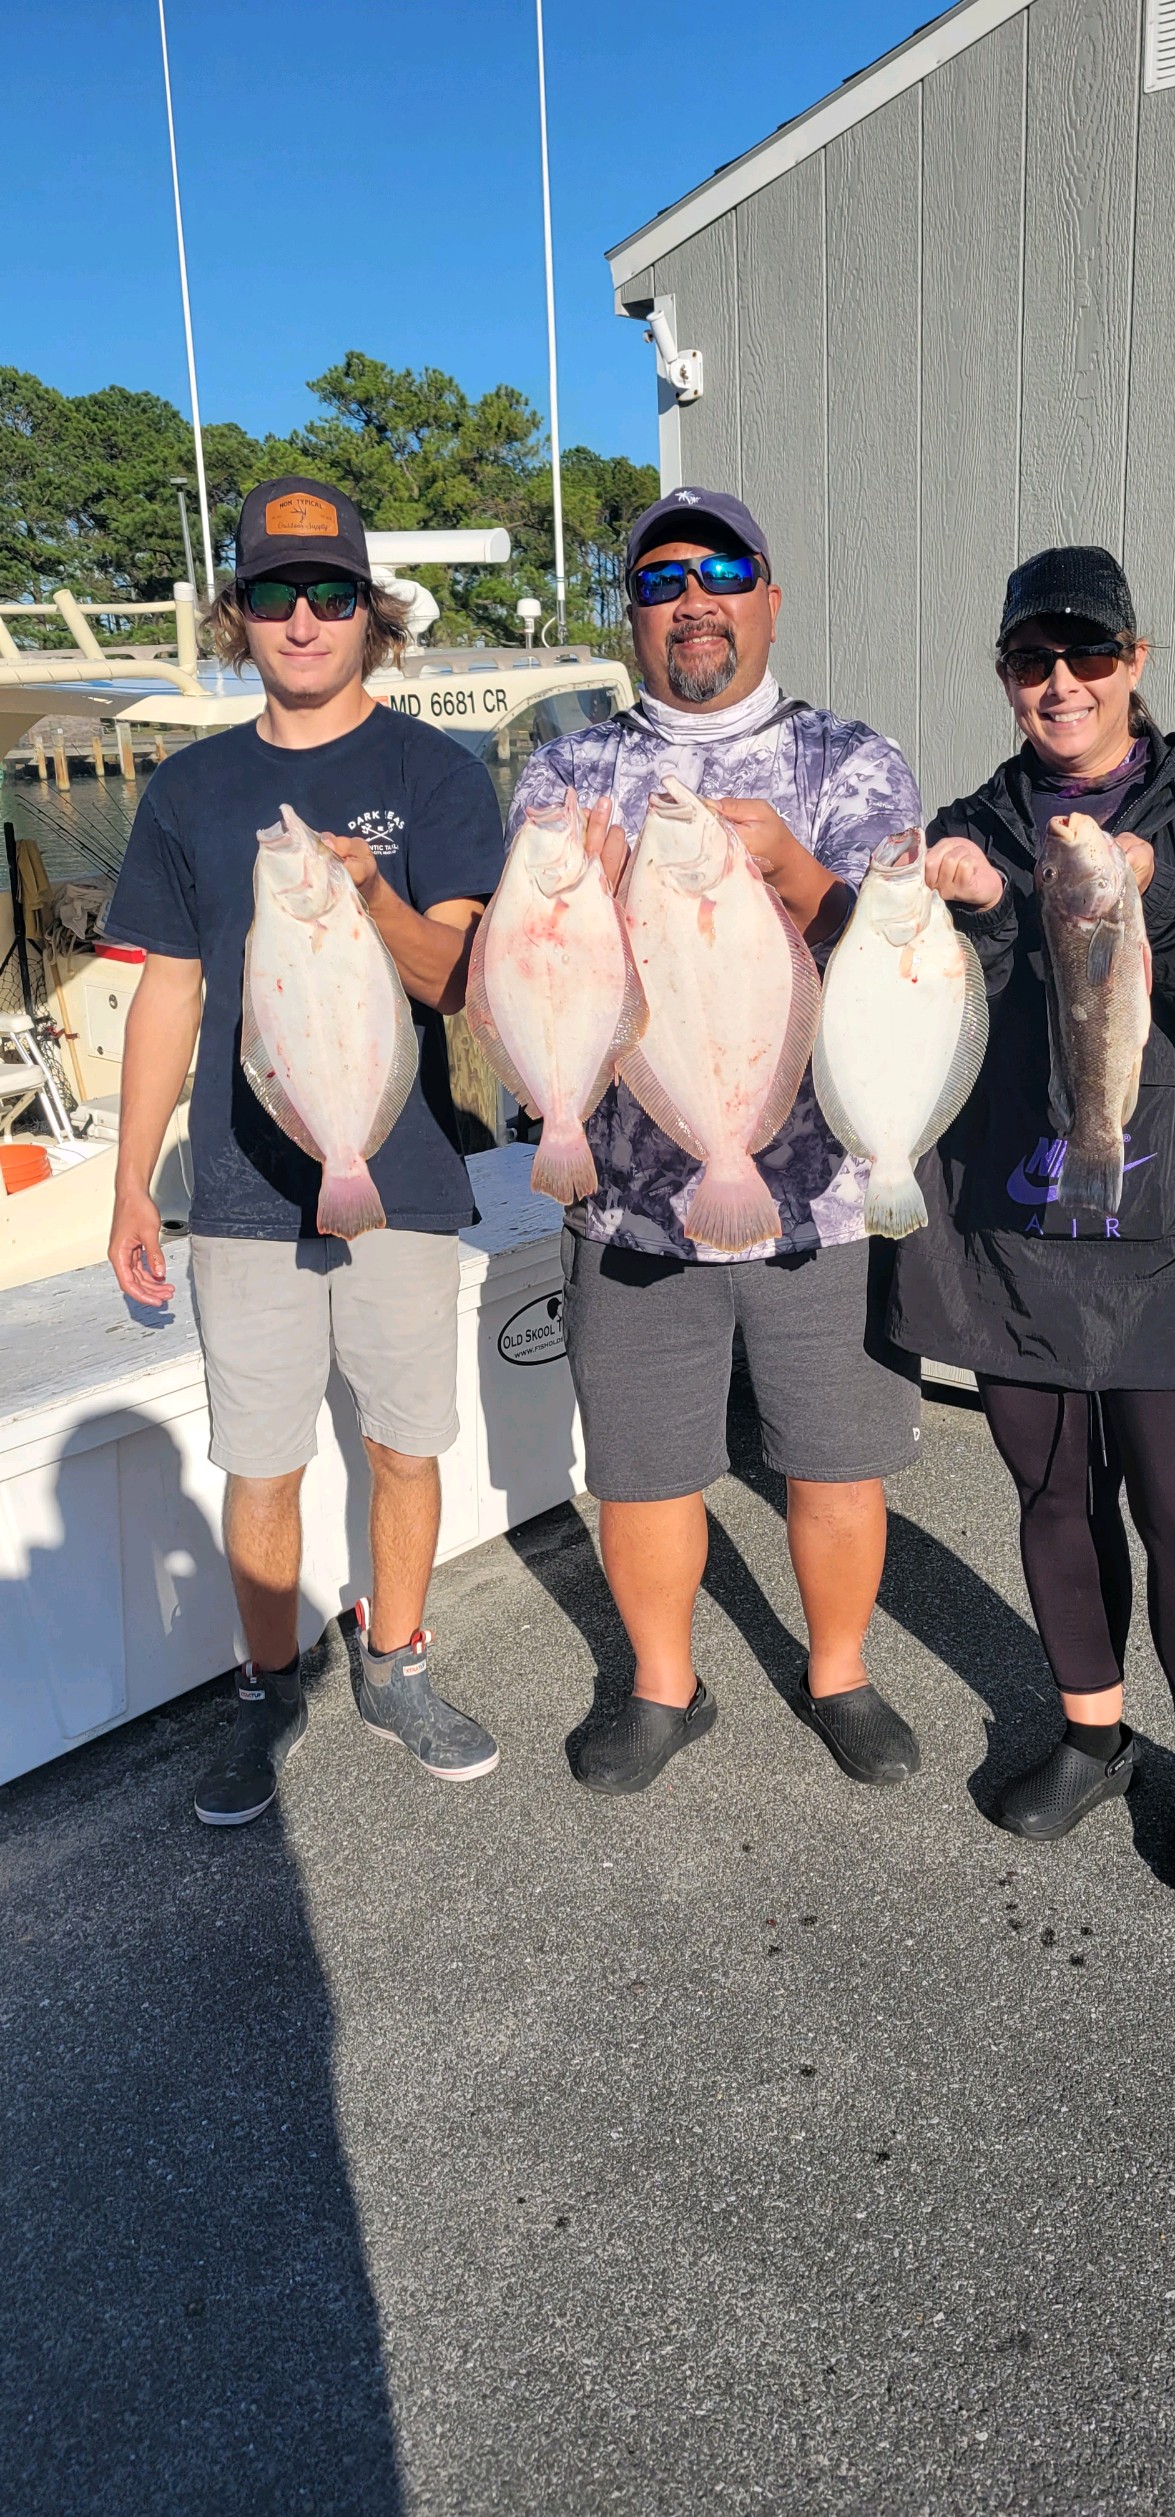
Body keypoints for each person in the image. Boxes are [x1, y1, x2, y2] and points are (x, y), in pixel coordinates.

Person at [892, 545, 1175, 1900]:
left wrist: (1162, 887)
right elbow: (907, 1013)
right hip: (1023, 1241)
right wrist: (929, 906)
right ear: (1007, 676)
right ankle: (1091, 1730)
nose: (1062, 682)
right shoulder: (979, 819)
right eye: (1035, 659)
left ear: (1136, 660)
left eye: (1089, 654)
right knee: (1056, 1498)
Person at [509, 487, 925, 1795]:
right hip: (628, 1204)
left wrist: (801, 875)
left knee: (837, 1460)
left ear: (768, 598)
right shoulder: (569, 770)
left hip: (821, 1198)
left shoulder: (858, 764)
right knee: (644, 1470)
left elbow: (906, 961)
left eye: (723, 568)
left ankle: (841, 1670)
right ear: (632, 614)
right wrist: (577, 885)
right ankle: (661, 1686)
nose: (693, 596)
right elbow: (529, 971)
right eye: (660, 578)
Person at [106, 475, 506, 1828]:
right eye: (273, 594)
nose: (302, 619)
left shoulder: (434, 776)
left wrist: (376, 894)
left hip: (396, 1173)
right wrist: (126, 1188)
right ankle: (269, 1684)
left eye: (330, 593)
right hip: (236, 1188)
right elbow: (170, 992)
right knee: (260, 1457)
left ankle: (395, 1660)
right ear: (238, 615)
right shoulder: (189, 790)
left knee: (405, 1441)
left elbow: (456, 979)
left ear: (371, 616)